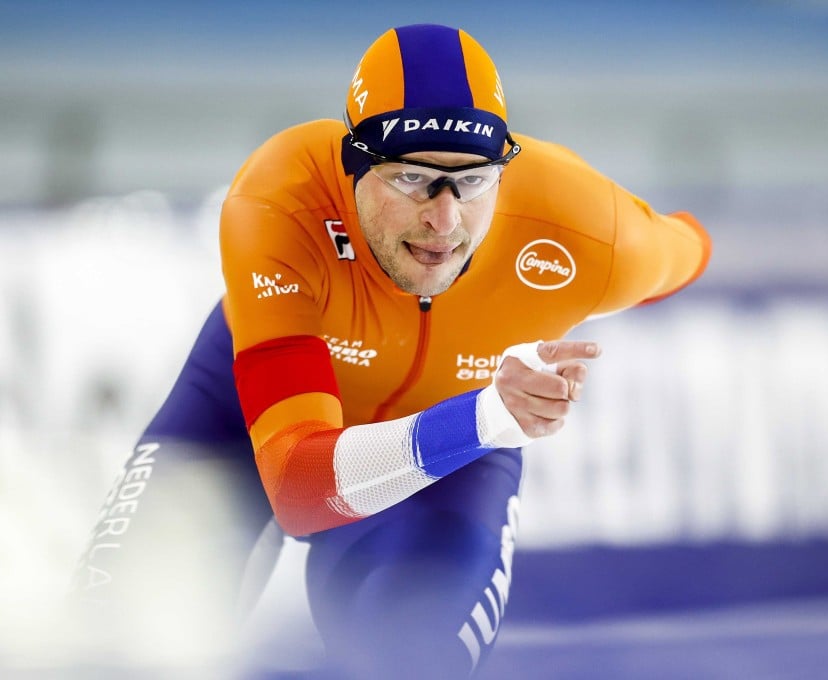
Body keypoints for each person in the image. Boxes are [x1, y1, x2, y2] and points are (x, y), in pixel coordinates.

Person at [69, 22, 711, 678]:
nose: (444, 218)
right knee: (109, 652)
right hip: (257, 422)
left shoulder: (592, 233)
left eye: (473, 180)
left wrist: (580, 301)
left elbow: (690, 248)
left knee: (412, 664)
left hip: (446, 469)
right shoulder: (281, 197)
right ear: (354, 165)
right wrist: (491, 416)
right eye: (411, 179)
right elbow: (296, 484)